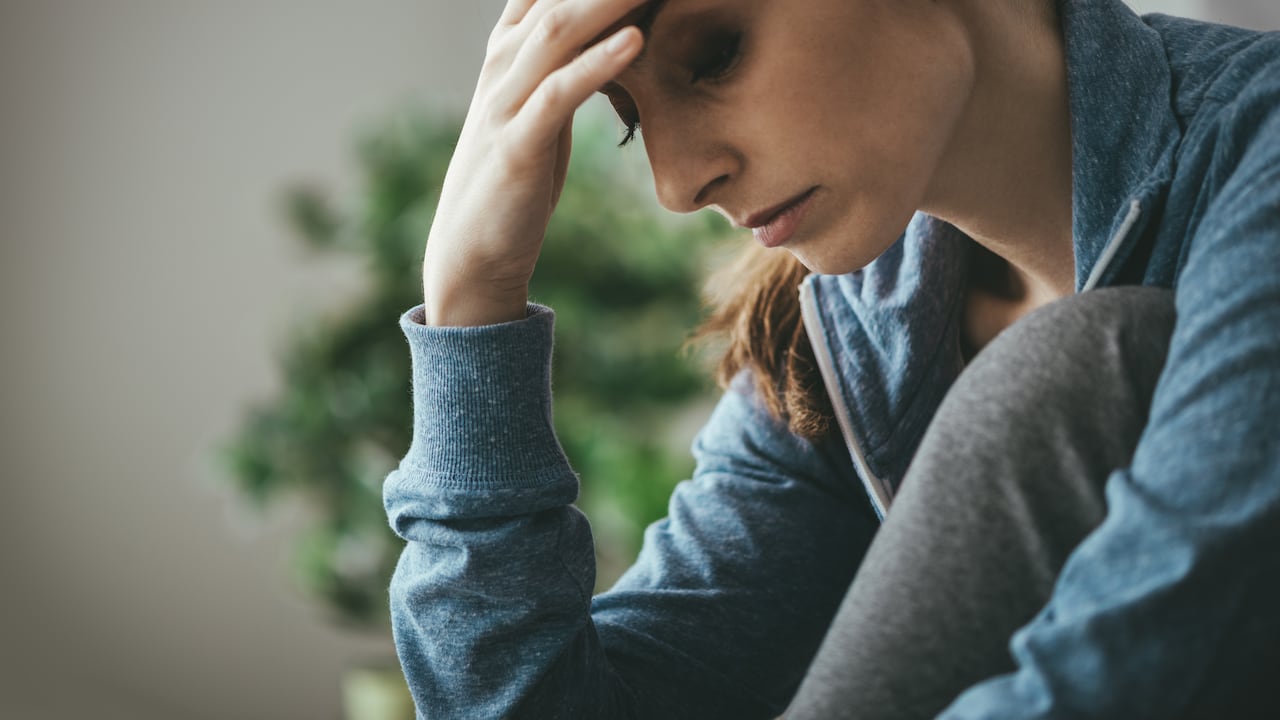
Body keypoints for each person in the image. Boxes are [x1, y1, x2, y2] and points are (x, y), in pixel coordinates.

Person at [382, 0, 1280, 716]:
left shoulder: (1259, 155)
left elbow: (1158, 645)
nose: (674, 183)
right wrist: (472, 306)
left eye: (715, 54)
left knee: (1074, 366)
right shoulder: (844, 336)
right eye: (627, 117)